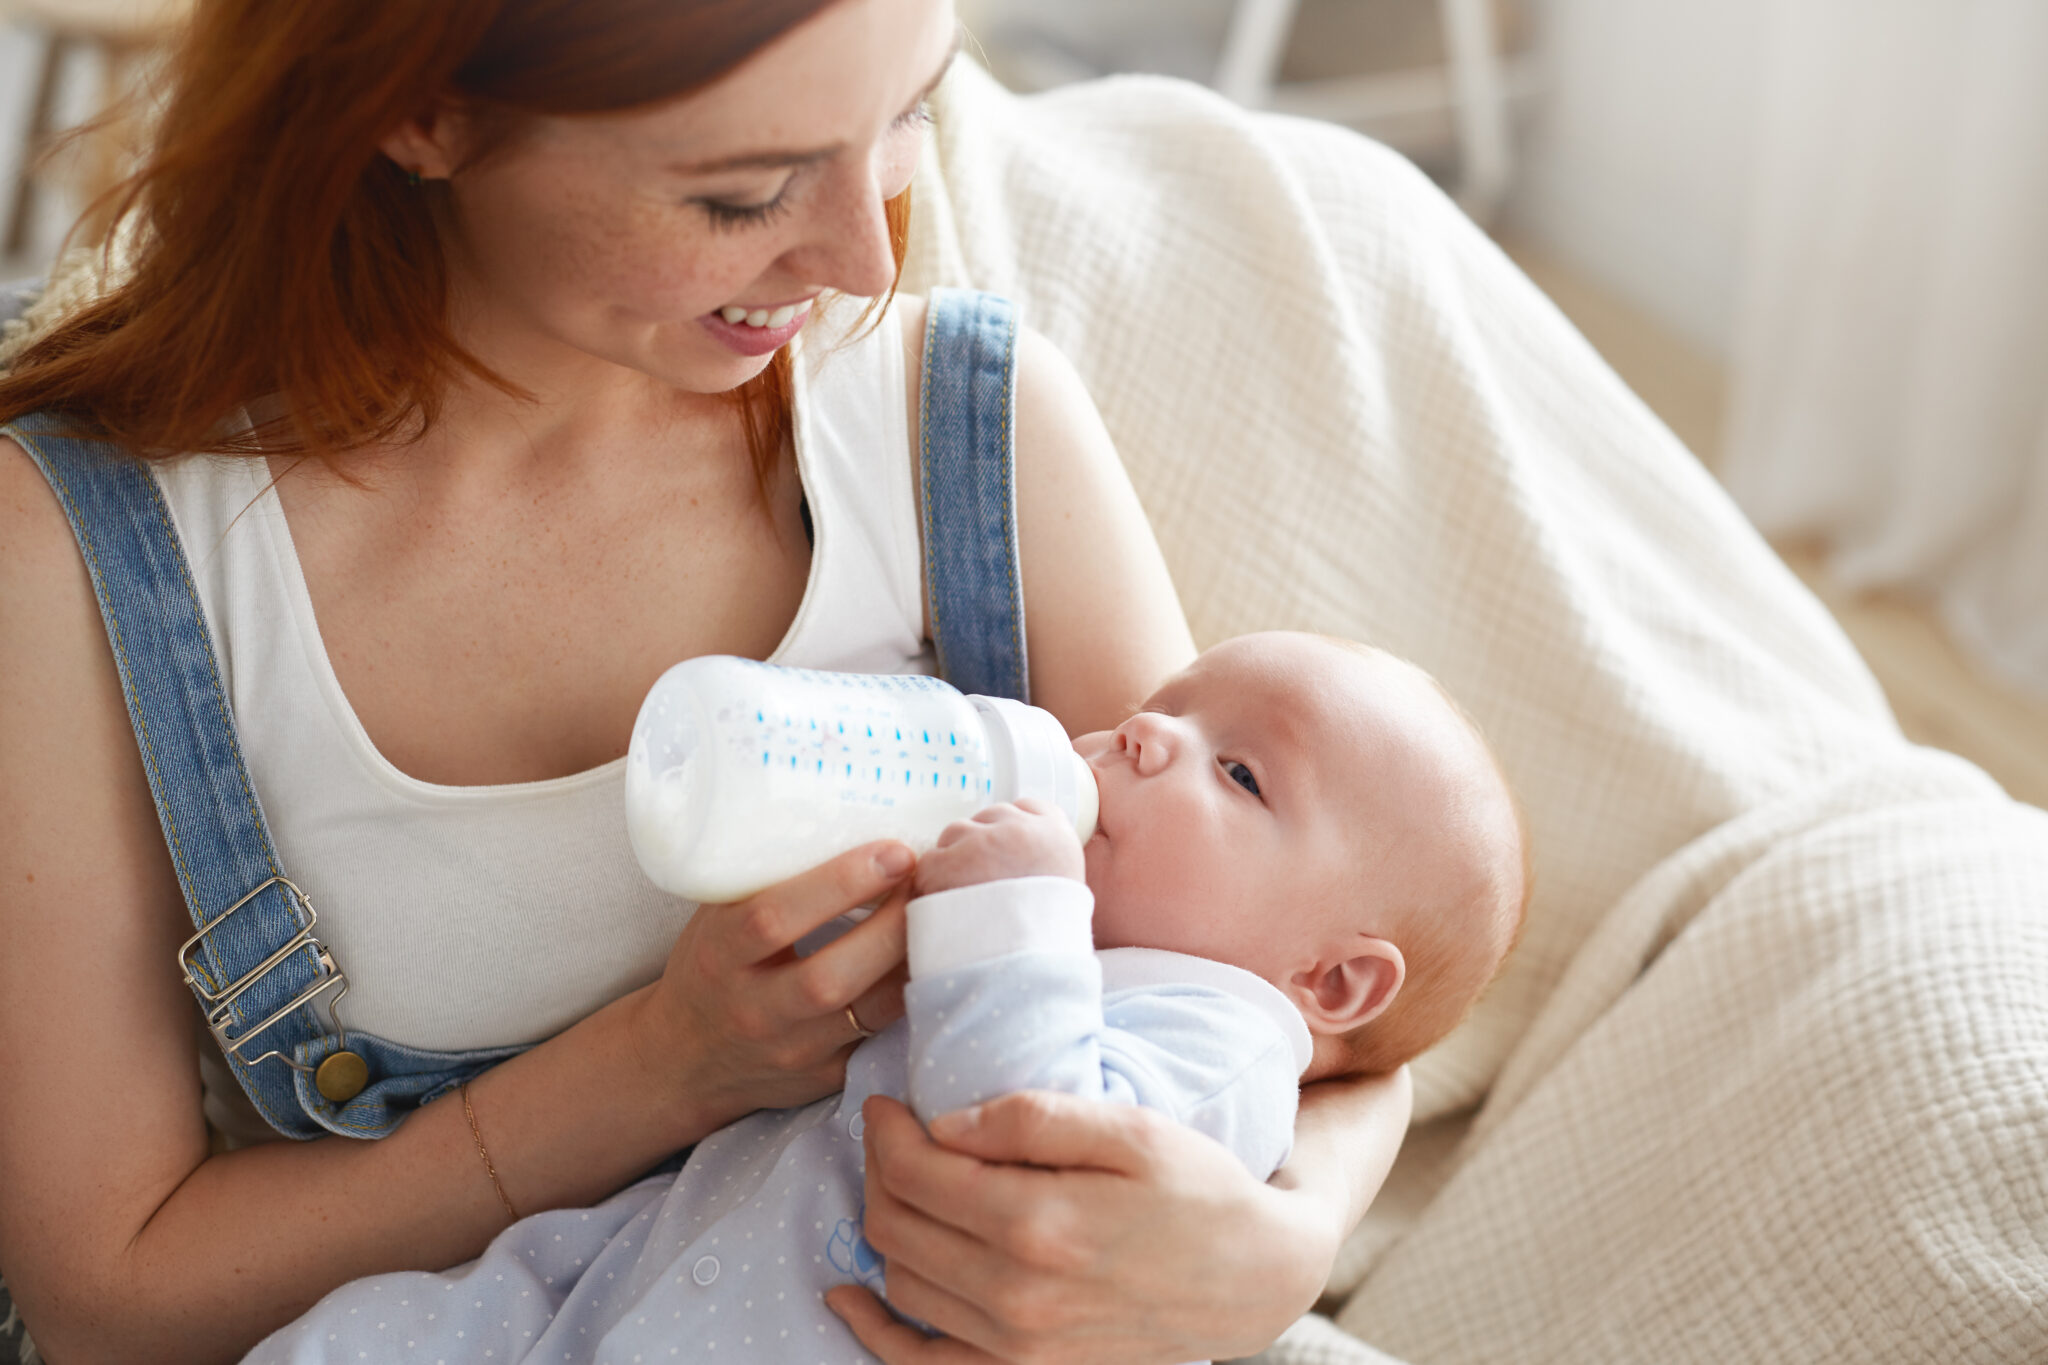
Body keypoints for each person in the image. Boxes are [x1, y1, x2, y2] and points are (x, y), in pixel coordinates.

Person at [0, 2, 1411, 1362]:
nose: (867, 257)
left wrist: (1277, 1245)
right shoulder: (80, 556)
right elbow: (109, 1306)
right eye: (744, 194)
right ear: (421, 112)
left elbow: (1310, 977)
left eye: (912, 108)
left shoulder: (961, 435)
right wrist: (667, 1066)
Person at [243, 631, 1527, 1364]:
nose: (1140, 734)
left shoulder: (1222, 1033)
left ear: (1333, 981)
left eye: (1237, 773)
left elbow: (1027, 1142)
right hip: (623, 1283)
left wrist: (1010, 913)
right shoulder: (1064, 931)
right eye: (1166, 707)